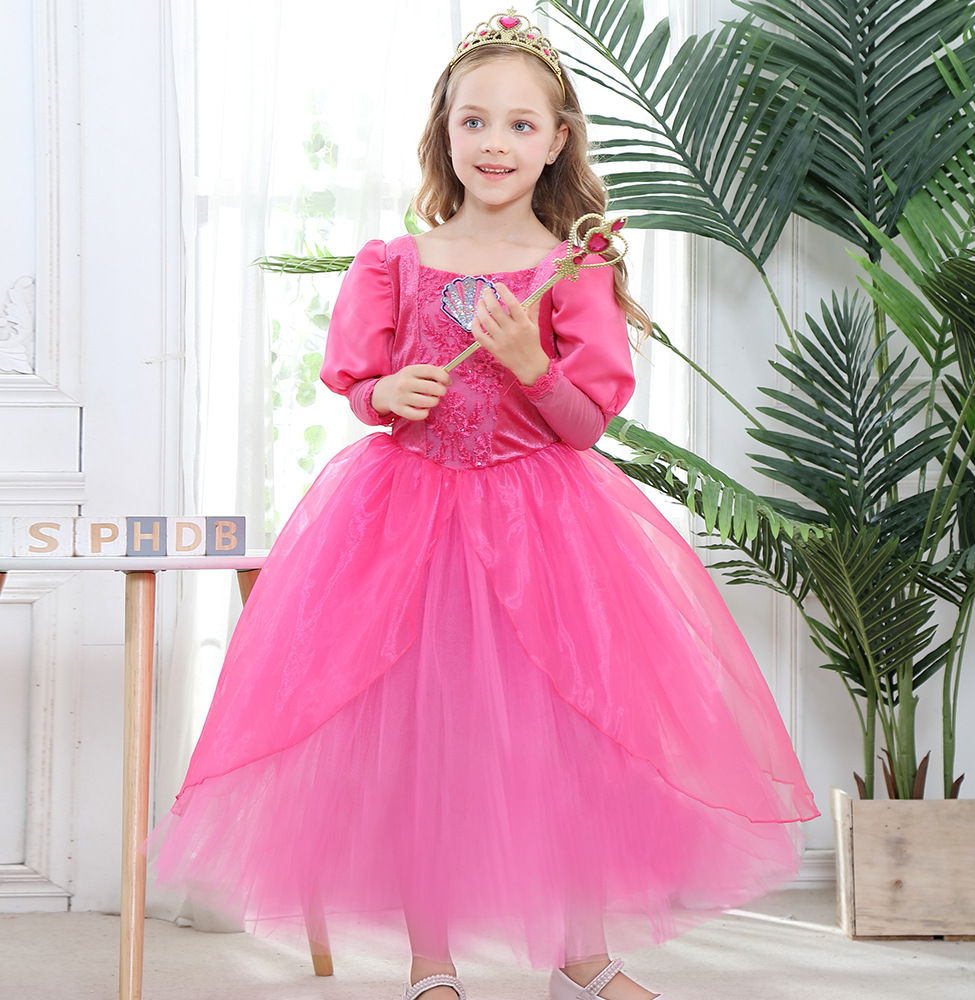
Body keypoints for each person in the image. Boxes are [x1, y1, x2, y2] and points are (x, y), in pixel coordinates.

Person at [150, 11, 817, 1000]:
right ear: (444, 132)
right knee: (426, 745)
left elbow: (584, 426)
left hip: (542, 527)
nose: (494, 143)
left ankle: (580, 956)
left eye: (518, 124)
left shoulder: (572, 268)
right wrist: (385, 393)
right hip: (408, 524)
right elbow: (361, 387)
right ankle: (432, 964)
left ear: (555, 141)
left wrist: (530, 363)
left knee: (573, 739)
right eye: (474, 121)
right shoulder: (396, 263)